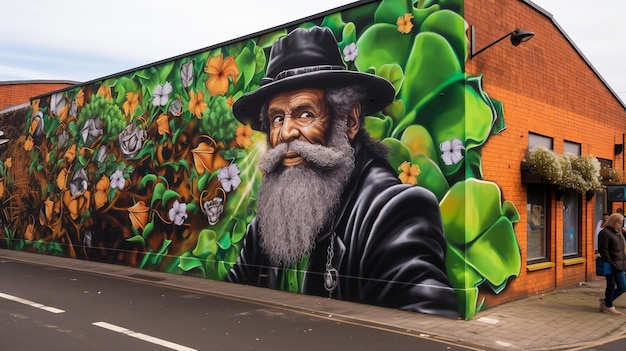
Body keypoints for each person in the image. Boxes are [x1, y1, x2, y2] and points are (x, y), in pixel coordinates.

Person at [227, 26, 458, 317]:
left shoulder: (393, 212)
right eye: (276, 118)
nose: (286, 132)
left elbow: (426, 318)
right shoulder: (265, 227)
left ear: (349, 121)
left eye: (305, 113)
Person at [598, 212, 626, 315]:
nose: (621, 224)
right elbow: (603, 250)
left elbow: (621, 248)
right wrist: (609, 262)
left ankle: (607, 302)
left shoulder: (618, 233)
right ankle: (608, 305)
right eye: (619, 222)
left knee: (622, 286)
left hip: (620, 263)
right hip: (611, 264)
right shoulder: (605, 233)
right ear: (614, 222)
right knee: (611, 284)